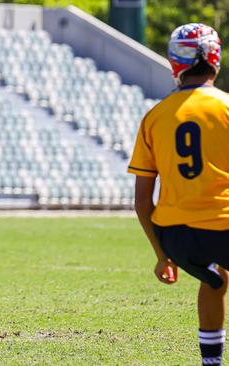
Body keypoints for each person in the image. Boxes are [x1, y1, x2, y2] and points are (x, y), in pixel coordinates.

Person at [128, 23, 229, 366]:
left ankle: (211, 363)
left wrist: (161, 255)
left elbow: (142, 201)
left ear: (175, 61)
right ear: (215, 57)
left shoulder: (154, 117)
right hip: (224, 228)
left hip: (177, 239)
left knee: (214, 279)